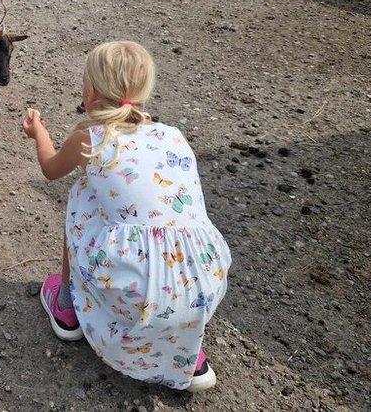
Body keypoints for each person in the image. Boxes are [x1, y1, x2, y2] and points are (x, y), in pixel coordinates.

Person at [22, 41, 231, 392]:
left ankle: (68, 305)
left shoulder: (91, 138)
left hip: (136, 286)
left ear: (89, 91)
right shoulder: (173, 137)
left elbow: (50, 169)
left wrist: (39, 132)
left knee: (82, 196)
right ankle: (185, 350)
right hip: (203, 278)